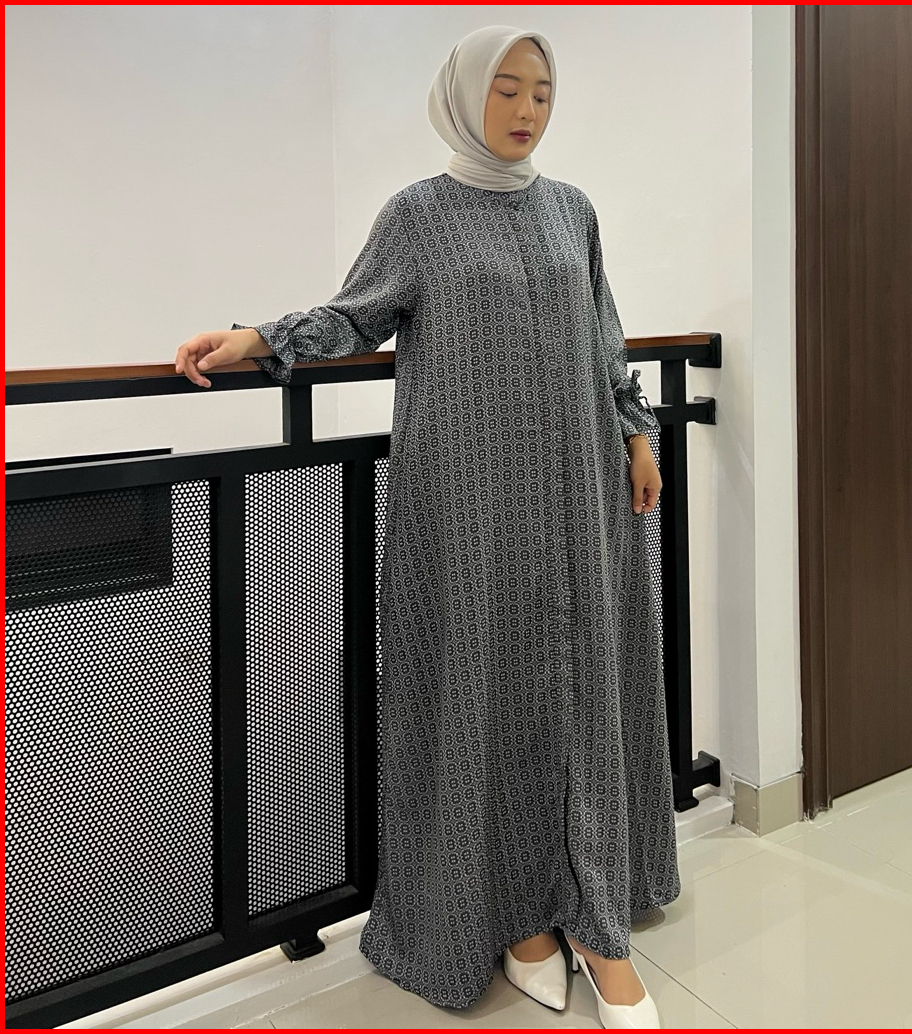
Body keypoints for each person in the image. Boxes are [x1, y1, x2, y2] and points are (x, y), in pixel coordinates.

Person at [174, 25, 680, 1029]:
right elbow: (354, 314)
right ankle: (516, 919)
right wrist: (257, 338)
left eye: (542, 91)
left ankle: (591, 920)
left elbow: (602, 333)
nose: (526, 109)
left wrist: (636, 433)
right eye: (506, 88)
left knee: (579, 685)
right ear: (461, 96)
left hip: (579, 497)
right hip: (470, 505)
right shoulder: (418, 214)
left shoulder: (571, 211)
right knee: (485, 692)